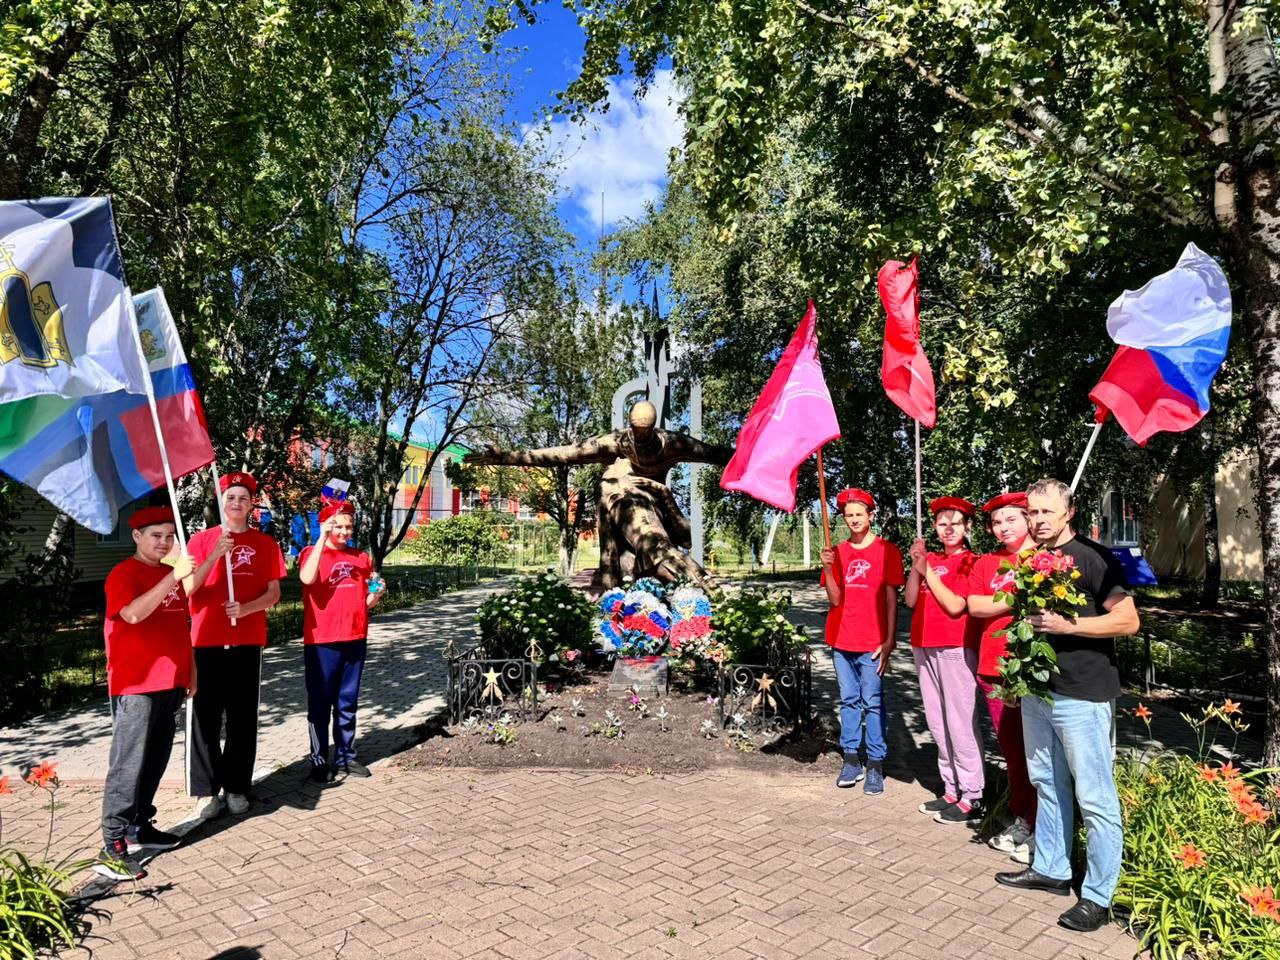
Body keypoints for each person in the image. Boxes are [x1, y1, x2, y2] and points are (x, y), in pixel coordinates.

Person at [994, 478, 1140, 934]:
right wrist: (1018, 677)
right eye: (1032, 512)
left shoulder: (1095, 559)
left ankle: (1098, 897)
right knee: (1047, 784)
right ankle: (1053, 869)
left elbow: (1128, 620)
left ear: (1068, 513)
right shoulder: (1031, 561)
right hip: (1041, 693)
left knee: (1094, 796)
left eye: (1046, 513)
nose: (1037, 521)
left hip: (1084, 696)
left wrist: (1068, 624)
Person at [97, 506, 229, 880]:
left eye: (169, 536)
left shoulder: (167, 575)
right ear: (137, 536)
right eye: (156, 535)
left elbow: (180, 626)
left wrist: (191, 671)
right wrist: (174, 575)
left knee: (155, 759)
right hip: (136, 683)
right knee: (128, 764)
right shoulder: (125, 573)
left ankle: (141, 824)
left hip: (170, 681)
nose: (164, 542)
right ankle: (113, 841)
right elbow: (134, 614)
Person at [185, 472, 287, 820]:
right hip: (207, 641)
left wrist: (245, 609)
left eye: (243, 498)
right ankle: (205, 791)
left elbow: (274, 593)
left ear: (250, 504)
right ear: (221, 501)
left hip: (246, 642)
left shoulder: (265, 544)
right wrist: (215, 554)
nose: (237, 503)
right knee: (205, 719)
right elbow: (188, 587)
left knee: (242, 719)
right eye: (231, 497)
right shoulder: (199, 541)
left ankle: (237, 786)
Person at [966, 492, 1039, 863]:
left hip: (1031, 670)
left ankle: (1042, 825)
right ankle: (1023, 816)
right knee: (1012, 751)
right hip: (994, 669)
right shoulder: (986, 563)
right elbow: (975, 606)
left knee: (1039, 753)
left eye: (1010, 519)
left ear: (1028, 519)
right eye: (996, 522)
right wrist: (1017, 596)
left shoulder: (1044, 558)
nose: (1002, 527)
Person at [819, 488, 904, 795]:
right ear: (843, 519)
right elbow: (835, 598)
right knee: (849, 700)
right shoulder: (837, 553)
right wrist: (829, 570)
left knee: (873, 701)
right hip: (841, 640)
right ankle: (852, 759)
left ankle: (876, 764)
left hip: (873, 642)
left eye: (859, 514)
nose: (854, 519)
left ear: (871, 515)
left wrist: (890, 640)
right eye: (849, 515)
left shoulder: (887, 551)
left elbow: (893, 600)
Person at [904, 496, 983, 825]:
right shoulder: (929, 558)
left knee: (960, 721)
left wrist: (929, 572)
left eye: (955, 523)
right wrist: (916, 565)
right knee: (937, 721)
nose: (948, 529)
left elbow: (955, 607)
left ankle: (973, 792)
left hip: (954, 646)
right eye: (942, 523)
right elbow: (910, 600)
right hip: (924, 645)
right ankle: (951, 788)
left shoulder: (971, 562)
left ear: (967, 527)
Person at [298, 499, 384, 782]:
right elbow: (307, 578)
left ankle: (347, 757)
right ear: (326, 526)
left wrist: (377, 595)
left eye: (349, 526)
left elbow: (364, 601)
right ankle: (320, 760)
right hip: (321, 641)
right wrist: (322, 537)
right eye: (338, 526)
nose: (345, 531)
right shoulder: (311, 553)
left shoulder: (360, 557)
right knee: (320, 704)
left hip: (354, 638)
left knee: (347, 703)